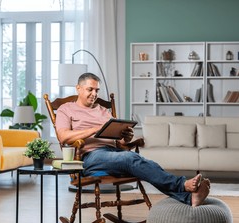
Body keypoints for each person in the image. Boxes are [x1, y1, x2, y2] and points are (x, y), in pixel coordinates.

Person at [55, 73, 210, 207]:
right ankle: (182, 185)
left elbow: (119, 144)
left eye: (97, 90)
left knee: (143, 162)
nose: (94, 94)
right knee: (131, 159)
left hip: (113, 154)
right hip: (90, 157)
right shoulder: (66, 109)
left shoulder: (103, 111)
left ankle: (189, 198)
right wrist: (95, 129)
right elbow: (63, 137)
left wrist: (125, 138)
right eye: (90, 89)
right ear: (78, 88)